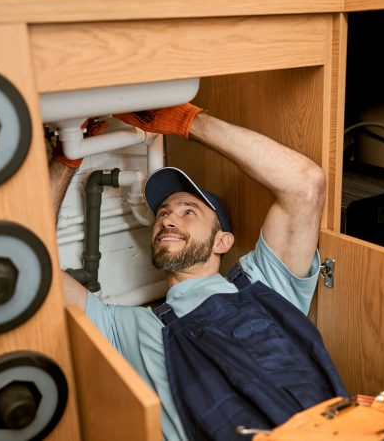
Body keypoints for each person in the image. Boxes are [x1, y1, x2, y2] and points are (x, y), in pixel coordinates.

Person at [49, 104, 347, 441]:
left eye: (188, 211)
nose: (168, 220)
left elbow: (306, 184)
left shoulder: (264, 282)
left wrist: (186, 120)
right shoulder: (124, 328)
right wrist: (65, 161)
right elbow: (33, 265)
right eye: (162, 213)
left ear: (223, 241)